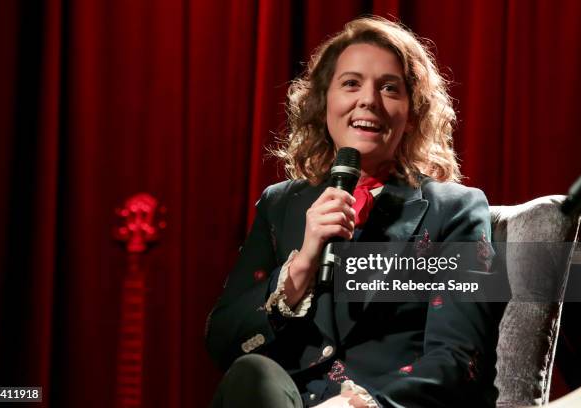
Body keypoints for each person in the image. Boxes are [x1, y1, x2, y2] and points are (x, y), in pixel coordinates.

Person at [206, 16, 504, 408]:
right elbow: (223, 342)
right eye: (351, 83)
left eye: (389, 88)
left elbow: (460, 359)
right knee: (253, 373)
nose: (368, 100)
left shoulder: (455, 210)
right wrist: (301, 266)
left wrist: (366, 405)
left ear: (412, 114)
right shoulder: (280, 205)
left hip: (380, 404)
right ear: (323, 102)